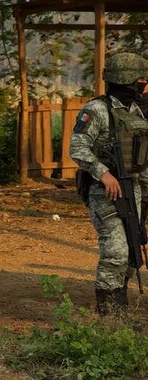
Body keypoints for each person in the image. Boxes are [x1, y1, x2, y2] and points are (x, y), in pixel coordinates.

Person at [69, 52, 148, 316]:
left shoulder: (135, 110)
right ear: (126, 79)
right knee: (115, 251)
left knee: (130, 254)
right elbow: (77, 148)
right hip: (105, 192)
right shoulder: (96, 110)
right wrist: (103, 173)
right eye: (139, 79)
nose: (143, 84)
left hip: (133, 189)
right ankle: (108, 315)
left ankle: (119, 310)